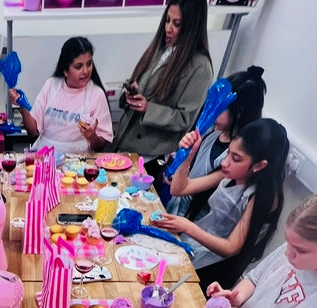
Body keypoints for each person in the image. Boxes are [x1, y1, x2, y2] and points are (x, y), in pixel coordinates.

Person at [152, 118, 289, 288]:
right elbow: (179, 189)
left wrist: (188, 227)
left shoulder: (263, 197)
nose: (225, 162)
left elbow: (230, 247)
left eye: (236, 158)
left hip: (215, 268)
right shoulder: (230, 173)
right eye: (228, 152)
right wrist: (188, 155)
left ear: (260, 166)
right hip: (195, 244)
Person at [112, 0, 213, 171]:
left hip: (151, 157)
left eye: (177, 24)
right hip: (124, 146)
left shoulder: (200, 67)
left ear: (192, 27)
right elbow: (145, 90)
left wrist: (148, 109)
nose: (168, 28)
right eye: (167, 20)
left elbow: (184, 119)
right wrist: (131, 95)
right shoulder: (159, 49)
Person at [166, 65, 267, 218]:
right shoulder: (213, 134)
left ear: (239, 113)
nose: (211, 113)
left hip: (191, 226)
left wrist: (187, 159)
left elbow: (179, 189)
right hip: (174, 211)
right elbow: (187, 176)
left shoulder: (232, 161)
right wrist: (177, 167)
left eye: (218, 108)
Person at [9, 37, 113, 154]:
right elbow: (32, 131)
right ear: (65, 71)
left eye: (89, 64)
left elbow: (101, 146)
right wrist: (21, 104)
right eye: (78, 66)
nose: (86, 71)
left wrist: (91, 136)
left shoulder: (97, 94)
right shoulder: (51, 85)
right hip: (45, 156)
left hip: (79, 160)